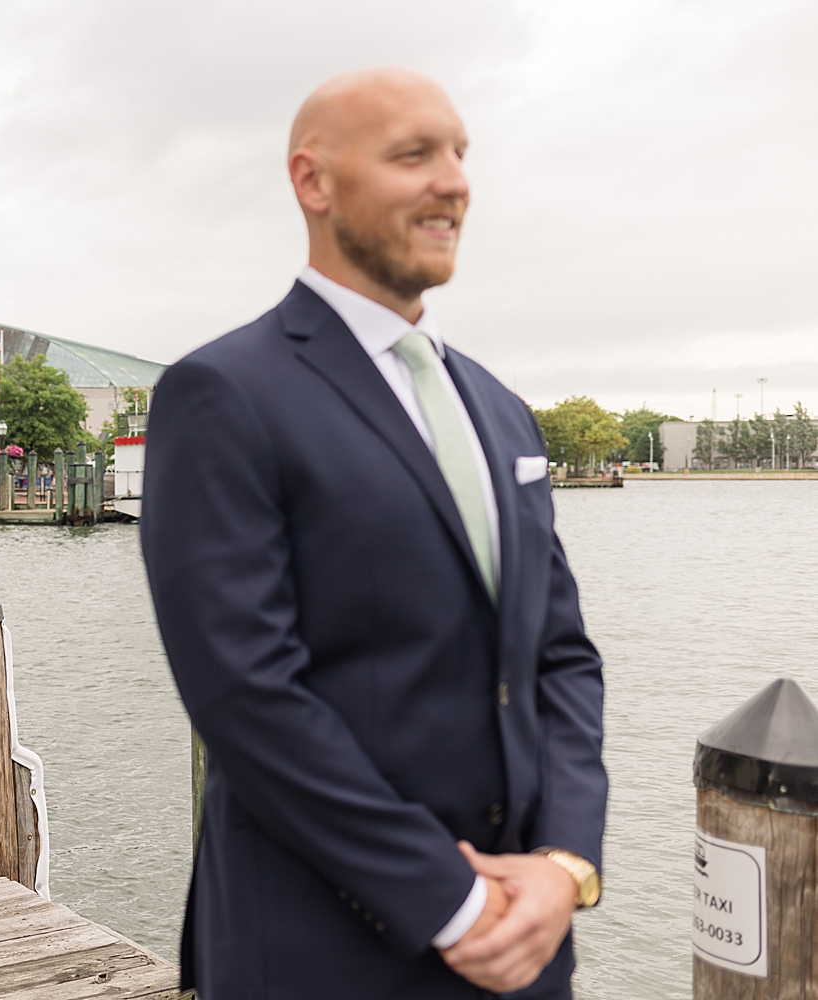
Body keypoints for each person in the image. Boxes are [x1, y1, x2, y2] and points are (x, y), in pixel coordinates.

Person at [140, 68, 605, 999]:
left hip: (526, 945)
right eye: (413, 154)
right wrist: (450, 901)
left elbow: (558, 659)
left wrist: (564, 868)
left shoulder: (502, 411)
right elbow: (246, 695)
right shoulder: (224, 395)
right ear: (313, 181)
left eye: (461, 154)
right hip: (321, 950)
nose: (454, 181)